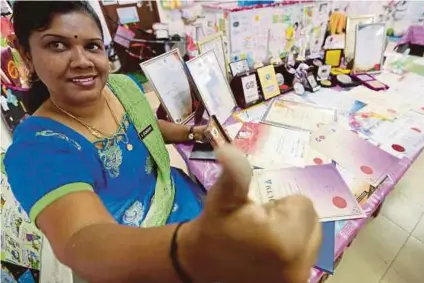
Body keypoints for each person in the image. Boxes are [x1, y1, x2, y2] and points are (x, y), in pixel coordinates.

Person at [4, 2, 322, 283]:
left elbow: (144, 124)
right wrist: (194, 250)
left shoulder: (121, 87)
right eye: (57, 46)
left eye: (92, 46)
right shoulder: (37, 148)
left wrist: (189, 133)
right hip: (137, 254)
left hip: (179, 197)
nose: (82, 61)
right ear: (26, 54)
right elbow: (81, 238)